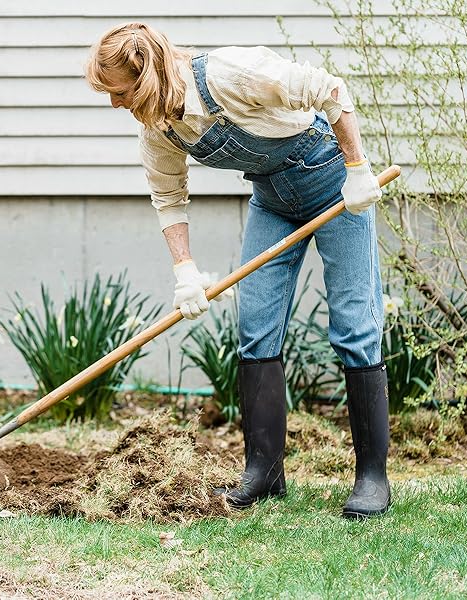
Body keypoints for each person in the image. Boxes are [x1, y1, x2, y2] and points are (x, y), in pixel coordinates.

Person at [84, 22, 389, 519]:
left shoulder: (229, 73)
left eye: (119, 93)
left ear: (143, 78)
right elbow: (168, 198)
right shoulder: (160, 126)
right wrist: (185, 271)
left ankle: (372, 477)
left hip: (336, 187)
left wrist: (357, 170)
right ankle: (264, 472)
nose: (116, 104)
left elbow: (330, 89)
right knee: (256, 330)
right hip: (273, 202)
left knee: (355, 326)